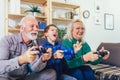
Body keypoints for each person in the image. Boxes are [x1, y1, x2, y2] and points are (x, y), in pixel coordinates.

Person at [0, 15, 56, 80]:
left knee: (51, 73)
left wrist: (43, 59)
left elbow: (34, 69)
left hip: (25, 77)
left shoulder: (35, 44)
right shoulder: (7, 40)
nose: (36, 29)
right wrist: (21, 59)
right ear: (22, 28)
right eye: (32, 26)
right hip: (7, 78)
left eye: (37, 26)